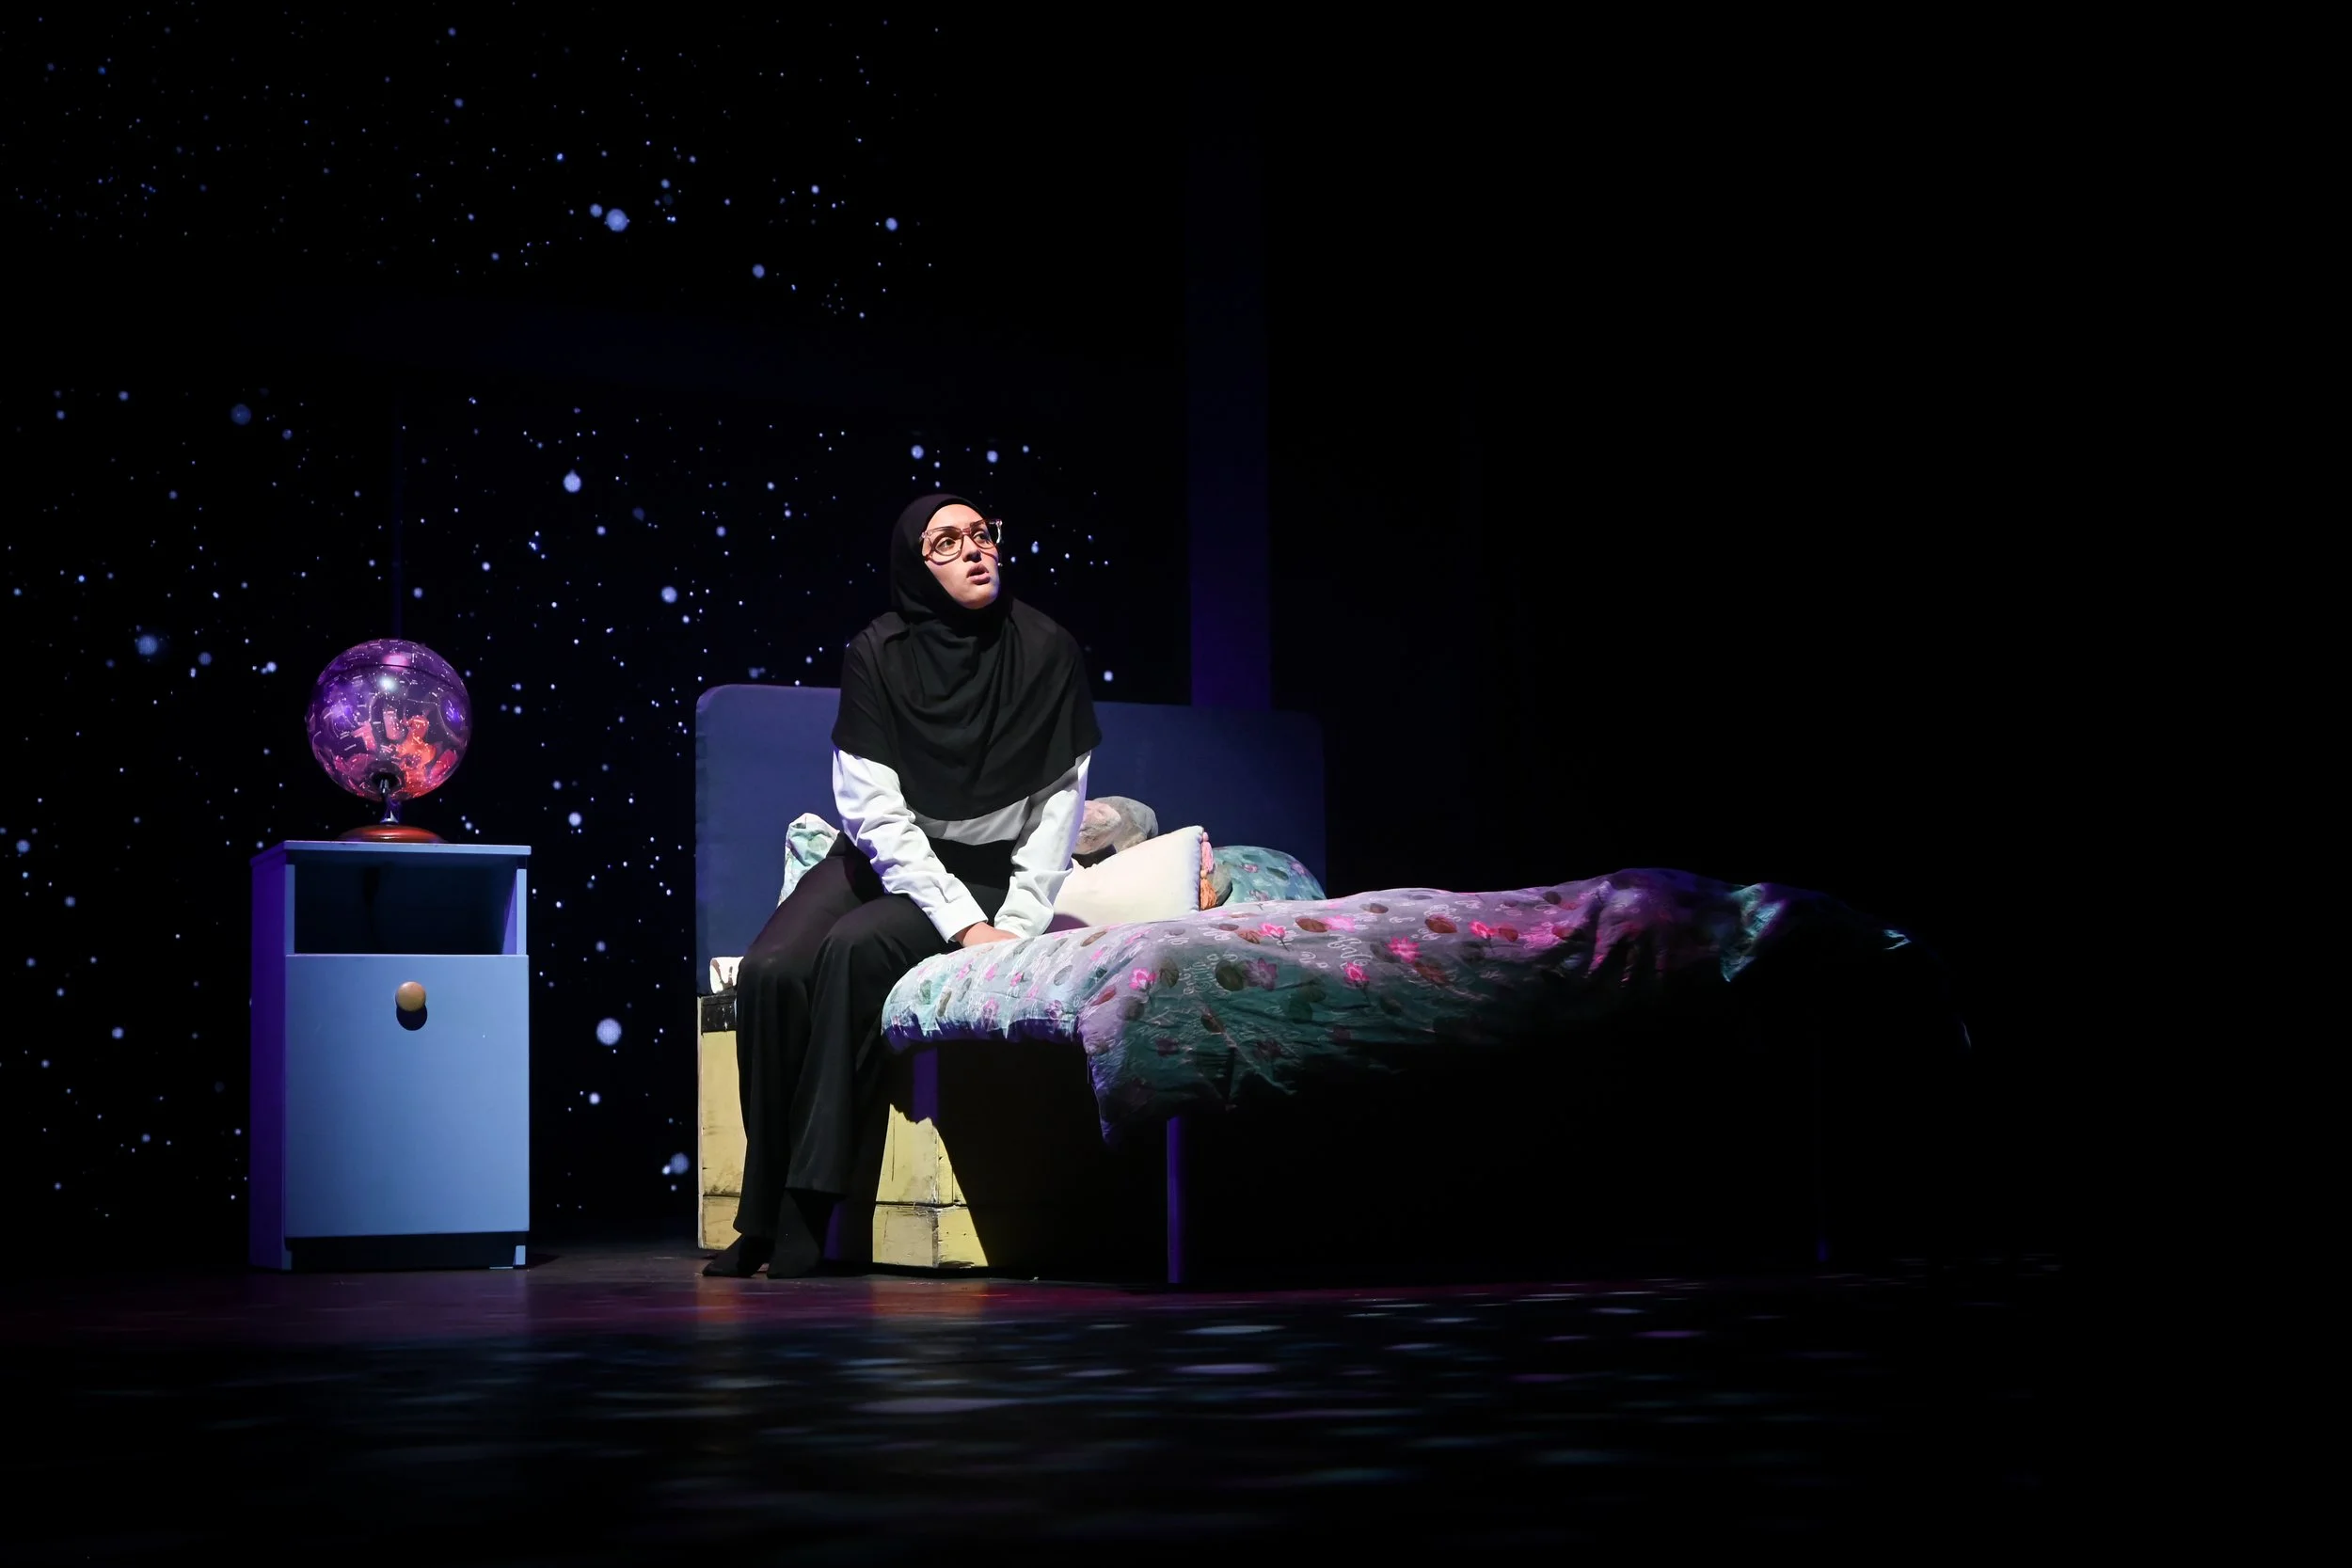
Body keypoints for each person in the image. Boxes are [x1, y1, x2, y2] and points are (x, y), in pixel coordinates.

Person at [705, 493, 1100, 1278]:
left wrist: (1006, 930)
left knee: (855, 950)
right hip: (882, 857)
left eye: (982, 533)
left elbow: (1059, 809)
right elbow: (877, 817)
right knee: (770, 971)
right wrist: (954, 918)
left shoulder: (1047, 650)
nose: (975, 549)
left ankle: (809, 1206)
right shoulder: (877, 652)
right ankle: (759, 1210)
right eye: (946, 541)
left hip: (986, 872)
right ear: (913, 565)